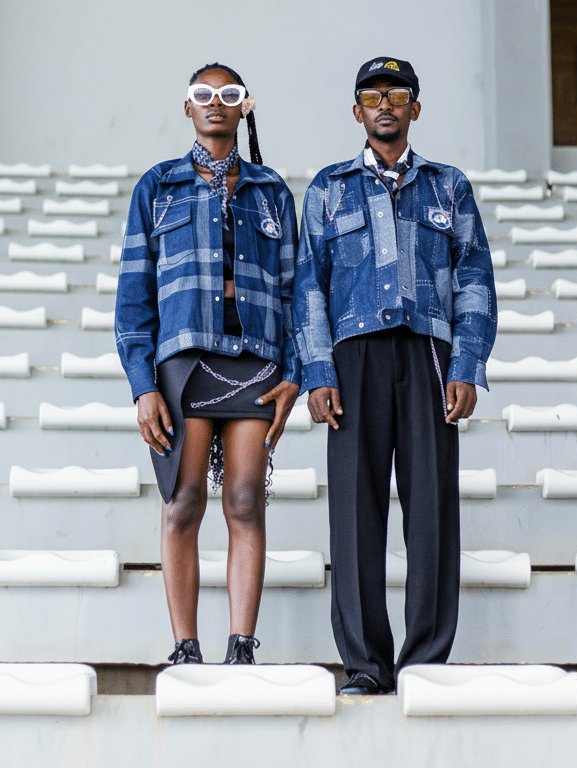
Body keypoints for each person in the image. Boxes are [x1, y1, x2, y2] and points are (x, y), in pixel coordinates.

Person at [294, 57, 498, 695]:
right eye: (373, 95)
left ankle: (425, 661)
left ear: (415, 107)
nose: (385, 104)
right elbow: (309, 286)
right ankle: (364, 664)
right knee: (355, 511)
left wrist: (466, 364)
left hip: (429, 355)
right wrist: (317, 371)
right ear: (357, 111)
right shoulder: (328, 188)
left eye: (398, 93)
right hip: (352, 358)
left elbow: (474, 278)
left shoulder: (448, 187)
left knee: (431, 509)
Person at [115, 63, 301, 666]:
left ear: (245, 106)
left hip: (255, 360)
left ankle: (242, 646)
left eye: (228, 94)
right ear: (188, 107)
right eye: (203, 94)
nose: (215, 102)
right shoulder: (157, 187)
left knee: (245, 500)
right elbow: (133, 297)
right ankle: (185, 647)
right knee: (184, 501)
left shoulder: (271, 191)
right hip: (185, 363)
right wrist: (143, 386)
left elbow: (296, 291)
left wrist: (295, 372)